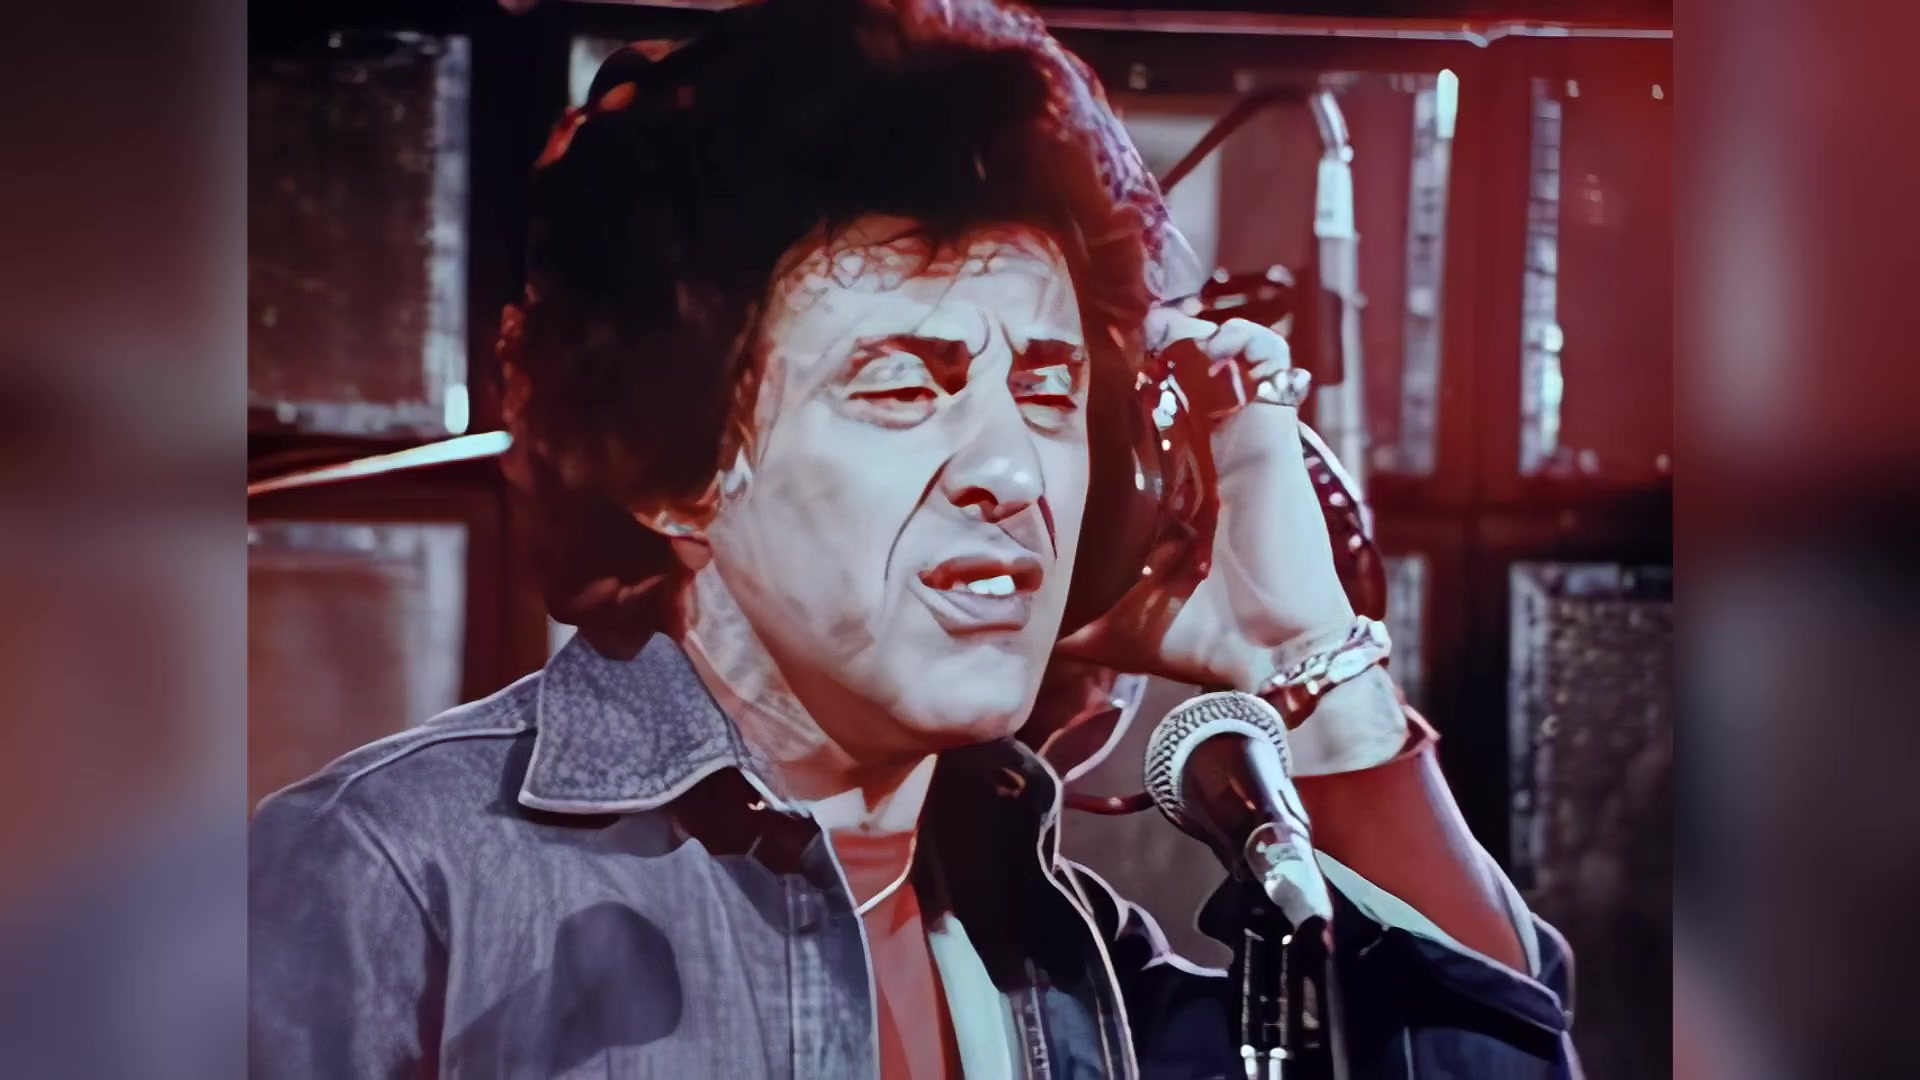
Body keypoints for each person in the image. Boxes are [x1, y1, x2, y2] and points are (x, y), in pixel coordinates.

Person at [249, 2, 1578, 1076]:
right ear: (674, 471)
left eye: (1048, 394)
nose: (1011, 470)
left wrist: (1309, 665)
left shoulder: (1069, 966)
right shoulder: (389, 881)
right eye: (901, 387)